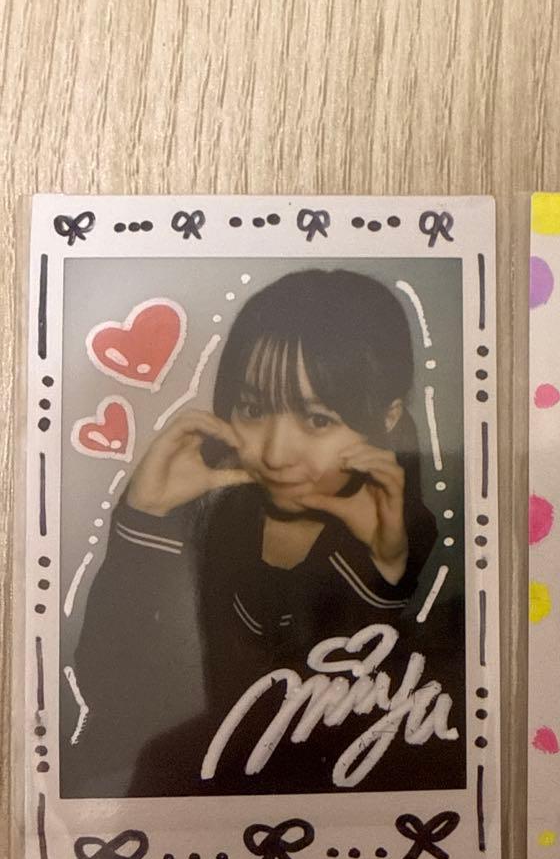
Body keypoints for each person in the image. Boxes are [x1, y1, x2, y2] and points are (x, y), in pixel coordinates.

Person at [63, 270, 463, 797]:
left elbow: (365, 743)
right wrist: (144, 520)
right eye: (252, 409)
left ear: (386, 417)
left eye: (317, 420)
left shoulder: (433, 545)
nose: (274, 453)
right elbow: (112, 692)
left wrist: (380, 582)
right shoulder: (209, 512)